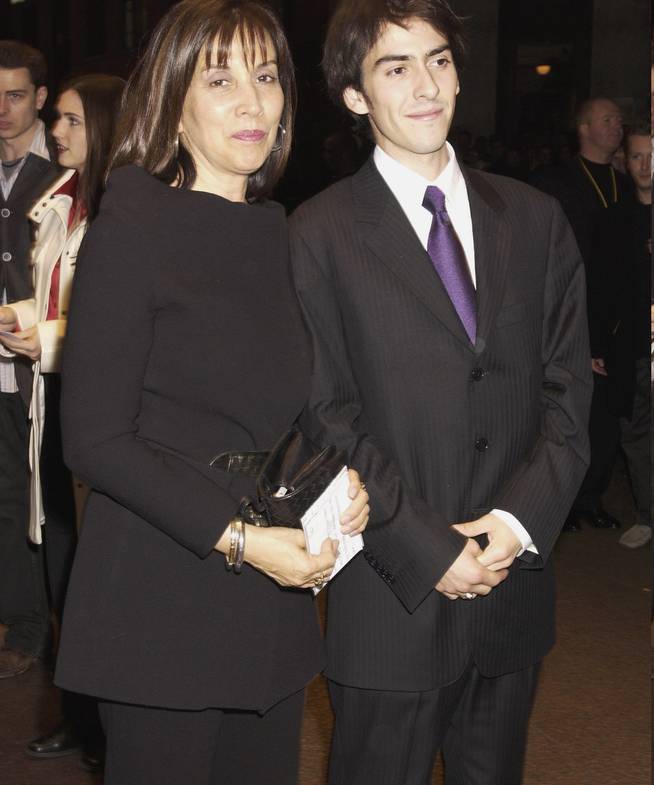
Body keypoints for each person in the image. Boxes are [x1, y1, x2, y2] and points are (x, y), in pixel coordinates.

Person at [52, 2, 369, 784]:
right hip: (164, 586)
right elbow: (93, 437)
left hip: (268, 597)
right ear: (173, 100)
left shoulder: (275, 230)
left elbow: (270, 411)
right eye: (219, 78)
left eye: (265, 77)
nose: (252, 102)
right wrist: (238, 538)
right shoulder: (136, 220)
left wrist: (335, 483)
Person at [289, 2, 592, 784]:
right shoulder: (317, 233)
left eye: (439, 60)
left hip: (511, 593)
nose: (426, 85)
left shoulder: (535, 219)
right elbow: (327, 415)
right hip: (392, 600)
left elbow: (567, 396)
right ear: (355, 96)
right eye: (395, 67)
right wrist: (432, 548)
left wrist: (517, 521)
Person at [0, 72, 125, 771]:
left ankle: (107, 729)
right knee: (61, 568)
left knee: (92, 573)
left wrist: (43, 337)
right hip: (54, 402)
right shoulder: (60, 199)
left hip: (97, 411)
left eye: (72, 121)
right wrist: (21, 320)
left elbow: (117, 327)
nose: (58, 131)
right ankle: (80, 719)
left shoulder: (126, 208)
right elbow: (53, 292)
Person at [531, 97, 633, 532]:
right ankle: (562, 503)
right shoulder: (555, 182)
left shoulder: (627, 184)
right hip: (568, 312)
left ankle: (591, 498)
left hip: (614, 317)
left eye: (619, 120)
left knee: (607, 417)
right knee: (565, 412)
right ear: (585, 127)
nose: (618, 126)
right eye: (608, 119)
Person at [0, 40, 59, 679]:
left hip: (52, 364)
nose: (2, 110)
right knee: (6, 498)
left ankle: (67, 629)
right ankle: (24, 625)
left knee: (56, 506)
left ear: (39, 98)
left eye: (16, 96)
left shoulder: (68, 161)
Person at [586, 123, 652, 549]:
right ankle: (648, 515)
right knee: (637, 437)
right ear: (624, 162)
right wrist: (595, 343)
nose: (646, 166)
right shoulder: (614, 219)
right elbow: (599, 285)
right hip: (631, 350)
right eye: (638, 156)